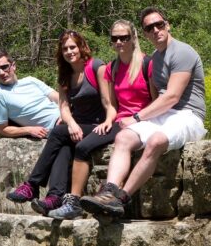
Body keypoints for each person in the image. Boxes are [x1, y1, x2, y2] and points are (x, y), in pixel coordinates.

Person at [80, 7, 206, 218]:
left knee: (156, 140)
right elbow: (157, 97)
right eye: (150, 27)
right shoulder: (156, 57)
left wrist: (137, 117)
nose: (156, 30)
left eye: (159, 24)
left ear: (168, 25)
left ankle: (121, 198)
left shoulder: (182, 52)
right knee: (123, 136)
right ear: (145, 34)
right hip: (165, 115)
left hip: (189, 115)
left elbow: (172, 97)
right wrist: (136, 122)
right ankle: (109, 190)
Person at [46, 20, 156, 220]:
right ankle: (70, 201)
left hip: (143, 122)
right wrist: (108, 121)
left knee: (81, 147)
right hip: (119, 122)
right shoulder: (112, 68)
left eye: (124, 37)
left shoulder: (148, 64)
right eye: (115, 38)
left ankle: (78, 201)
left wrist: (137, 118)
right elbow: (111, 104)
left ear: (133, 38)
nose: (120, 42)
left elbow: (157, 101)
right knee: (76, 144)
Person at [6, 31, 115, 214]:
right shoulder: (65, 74)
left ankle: (32, 184)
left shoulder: (96, 66)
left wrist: (108, 121)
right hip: (79, 125)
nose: (69, 51)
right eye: (65, 49)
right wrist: (71, 123)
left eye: (73, 47)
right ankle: (54, 198)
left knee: (57, 133)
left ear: (81, 47)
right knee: (64, 146)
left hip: (100, 125)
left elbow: (109, 102)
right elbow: (63, 107)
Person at [0, 50, 61, 138]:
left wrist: (66, 115)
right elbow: (1, 129)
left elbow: (58, 98)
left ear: (13, 66)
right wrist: (29, 130)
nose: (1, 73)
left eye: (4, 67)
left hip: (66, 116)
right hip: (55, 127)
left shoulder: (31, 81)